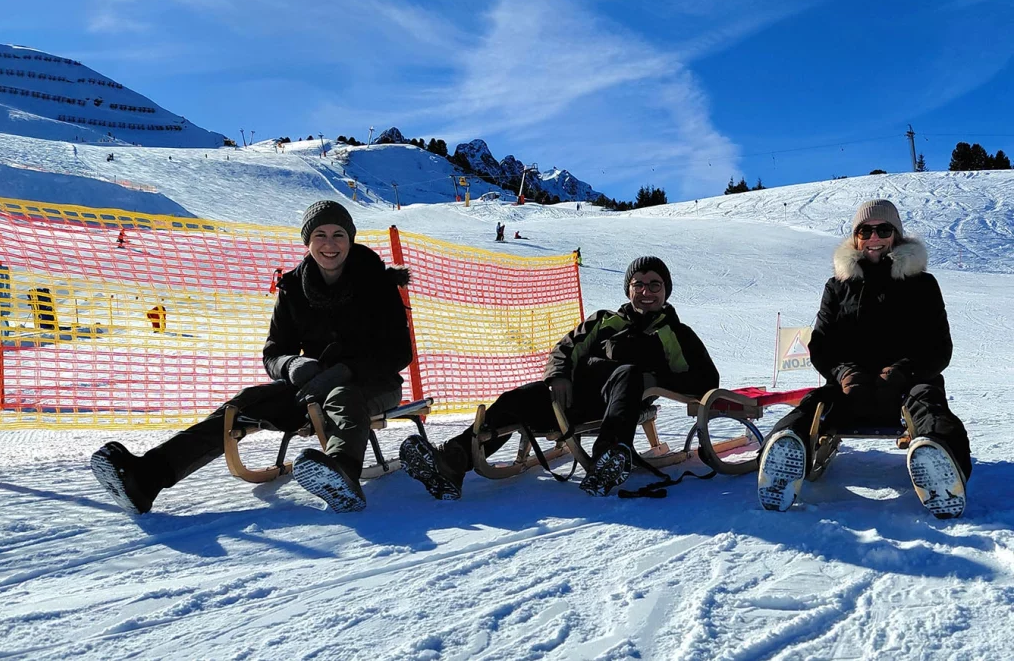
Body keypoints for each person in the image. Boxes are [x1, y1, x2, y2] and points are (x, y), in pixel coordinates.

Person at [90, 200, 413, 514]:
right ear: (308, 241)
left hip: (373, 382)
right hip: (311, 383)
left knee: (343, 396)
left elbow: (399, 352)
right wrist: (291, 364)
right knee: (245, 403)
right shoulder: (293, 288)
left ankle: (341, 473)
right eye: (320, 235)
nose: (329, 244)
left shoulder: (378, 284)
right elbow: (274, 351)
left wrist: (345, 371)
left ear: (350, 238)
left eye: (338, 235)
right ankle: (146, 477)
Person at [399, 256, 719, 499]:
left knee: (629, 372)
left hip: (621, 404)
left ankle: (610, 456)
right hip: (575, 396)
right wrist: (558, 376)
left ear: (666, 290)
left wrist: (656, 381)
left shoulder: (676, 333)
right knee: (516, 401)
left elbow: (706, 379)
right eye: (639, 284)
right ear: (629, 289)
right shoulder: (605, 321)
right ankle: (451, 462)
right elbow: (565, 348)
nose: (646, 291)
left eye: (654, 285)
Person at [757, 199, 971, 519]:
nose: (874, 237)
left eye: (883, 229)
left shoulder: (922, 285)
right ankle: (781, 458)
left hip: (907, 385)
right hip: (850, 388)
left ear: (896, 235)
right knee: (812, 403)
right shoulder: (838, 286)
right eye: (865, 230)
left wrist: (904, 371)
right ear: (856, 238)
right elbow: (822, 345)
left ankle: (945, 469)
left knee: (929, 404)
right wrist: (843, 372)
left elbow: (939, 347)